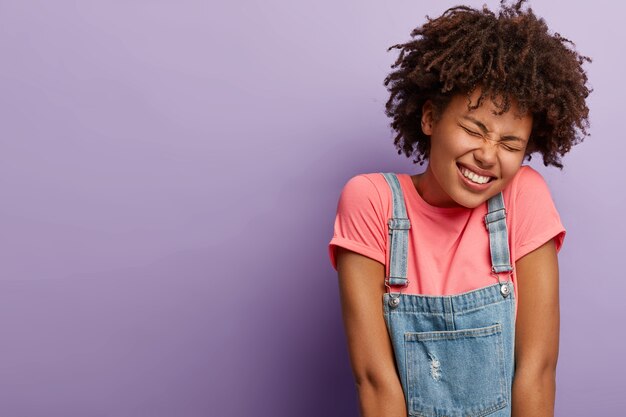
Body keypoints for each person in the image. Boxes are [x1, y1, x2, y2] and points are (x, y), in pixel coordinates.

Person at [327, 1, 592, 416]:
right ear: (430, 118)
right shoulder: (371, 201)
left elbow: (536, 371)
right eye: (473, 129)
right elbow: (376, 381)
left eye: (510, 145)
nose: (488, 156)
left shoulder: (524, 197)